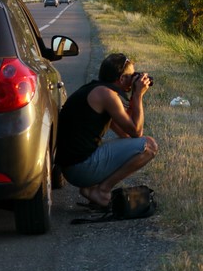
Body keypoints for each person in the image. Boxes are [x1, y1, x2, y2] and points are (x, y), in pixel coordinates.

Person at [56, 52, 159, 209]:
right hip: (80, 168)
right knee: (150, 146)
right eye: (132, 76)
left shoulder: (96, 90)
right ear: (122, 78)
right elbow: (136, 132)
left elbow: (126, 135)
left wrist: (133, 97)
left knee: (140, 143)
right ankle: (102, 191)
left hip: (72, 169)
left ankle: (92, 189)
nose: (134, 79)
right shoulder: (106, 95)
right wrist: (138, 95)